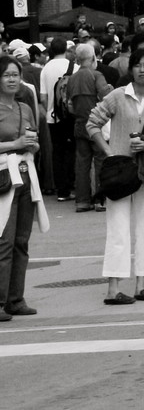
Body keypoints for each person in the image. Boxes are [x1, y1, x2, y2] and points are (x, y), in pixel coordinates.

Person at [87, 48, 144, 305]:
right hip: (119, 174)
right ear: (131, 69)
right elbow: (92, 124)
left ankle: (141, 284)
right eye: (138, 65)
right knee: (118, 230)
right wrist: (110, 152)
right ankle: (113, 288)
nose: (142, 69)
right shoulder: (117, 96)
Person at [0, 55, 44, 321]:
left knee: (21, 241)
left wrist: (31, 145)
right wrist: (15, 144)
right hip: (3, 177)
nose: (12, 79)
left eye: (15, 74)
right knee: (4, 241)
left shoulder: (25, 108)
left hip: (26, 176)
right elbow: (15, 143)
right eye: (6, 74)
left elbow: (32, 141)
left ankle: (16, 299)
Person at [66, 43, 112, 212]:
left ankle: (82, 201)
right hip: (97, 124)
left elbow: (69, 105)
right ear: (93, 58)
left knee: (82, 163)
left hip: (79, 124)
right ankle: (101, 200)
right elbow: (107, 99)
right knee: (101, 160)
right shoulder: (96, 75)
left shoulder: (71, 78)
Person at [39, 38, 75, 202]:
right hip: (70, 116)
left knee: (57, 152)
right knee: (72, 150)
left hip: (52, 117)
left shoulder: (45, 68)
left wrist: (51, 109)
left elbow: (43, 97)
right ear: (66, 50)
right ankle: (72, 184)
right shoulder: (73, 66)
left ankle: (61, 190)